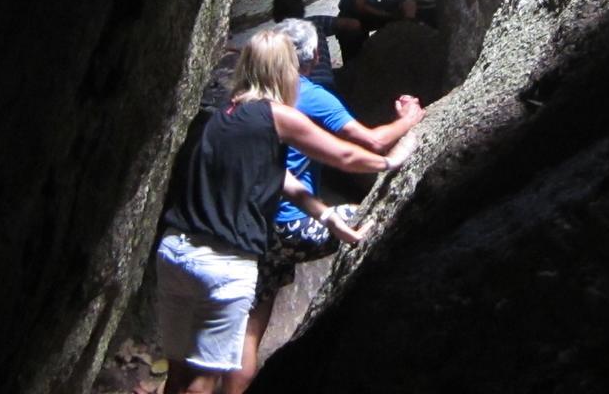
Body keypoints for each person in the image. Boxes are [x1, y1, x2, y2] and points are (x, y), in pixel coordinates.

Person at [156, 30, 418, 394]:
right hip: (222, 264)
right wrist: (391, 161)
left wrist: (326, 216)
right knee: (204, 379)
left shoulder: (226, 113)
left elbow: (280, 179)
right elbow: (343, 155)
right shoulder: (276, 114)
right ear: (284, 70)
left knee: (179, 373)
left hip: (175, 252)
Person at [271, 0, 361, 91]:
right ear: (301, 7)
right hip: (326, 83)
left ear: (275, 12)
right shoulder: (315, 22)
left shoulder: (276, 37)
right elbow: (354, 24)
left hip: (297, 89)